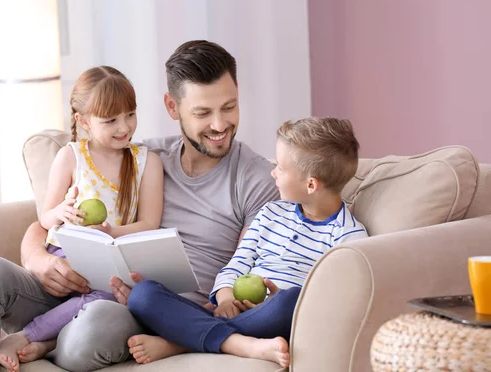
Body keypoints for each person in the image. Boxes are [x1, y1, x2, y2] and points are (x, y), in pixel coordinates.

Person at [0, 40, 279, 372]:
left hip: (142, 310)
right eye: (203, 113)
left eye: (229, 107)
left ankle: (45, 338)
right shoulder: (139, 158)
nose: (219, 125)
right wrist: (38, 260)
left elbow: (245, 272)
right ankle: (44, 335)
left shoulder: (256, 180)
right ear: (172, 107)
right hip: (74, 283)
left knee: (95, 324)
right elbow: (44, 223)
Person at [126, 117, 369, 368]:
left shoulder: (349, 239)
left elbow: (331, 308)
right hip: (238, 313)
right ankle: (239, 343)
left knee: (292, 301)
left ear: (310, 184)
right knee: (142, 295)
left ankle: (179, 342)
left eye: (282, 169)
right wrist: (226, 297)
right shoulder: (270, 213)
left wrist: (273, 301)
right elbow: (237, 263)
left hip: (277, 316)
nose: (273, 171)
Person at [0, 66, 163, 371]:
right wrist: (61, 213)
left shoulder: (146, 161)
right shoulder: (71, 156)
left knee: (107, 292)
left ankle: (34, 337)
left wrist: (111, 232)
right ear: (83, 121)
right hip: (65, 254)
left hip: (106, 260)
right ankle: (46, 337)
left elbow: (150, 224)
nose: (124, 127)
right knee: (93, 288)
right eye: (110, 120)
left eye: (130, 114)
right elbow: (46, 217)